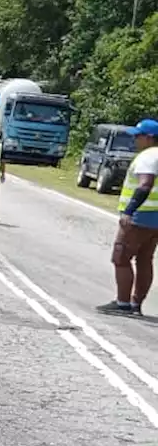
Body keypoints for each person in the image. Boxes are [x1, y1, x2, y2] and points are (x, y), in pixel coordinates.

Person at [97, 117, 158, 318]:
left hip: (140, 217)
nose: (135, 140)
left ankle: (123, 303)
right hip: (155, 220)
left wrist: (130, 210)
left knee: (121, 257)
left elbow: (145, 185)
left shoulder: (148, 156)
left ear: (149, 138)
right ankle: (135, 304)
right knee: (144, 260)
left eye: (138, 136)